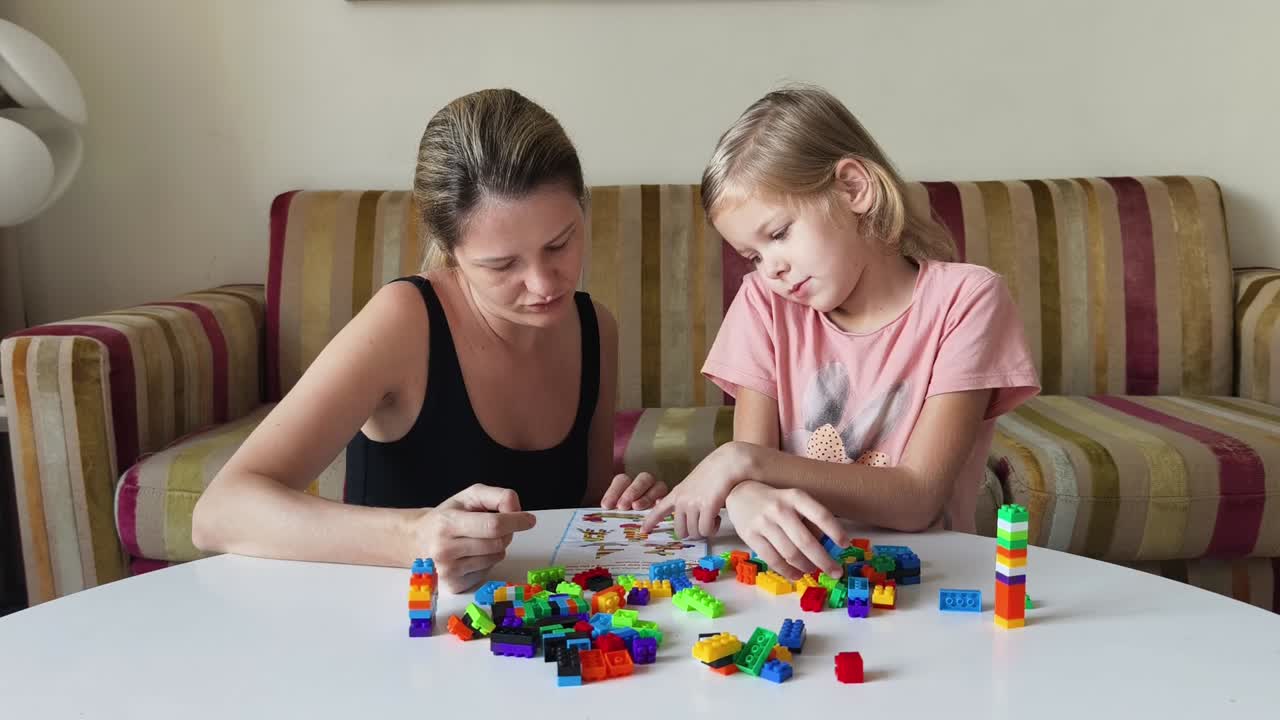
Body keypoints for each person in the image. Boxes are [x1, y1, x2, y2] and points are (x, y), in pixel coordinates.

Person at [193, 89, 666, 592]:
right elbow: (220, 512)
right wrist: (414, 537)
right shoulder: (405, 322)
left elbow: (578, 508)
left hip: (527, 635)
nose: (546, 284)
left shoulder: (596, 327)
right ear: (451, 249)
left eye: (561, 243)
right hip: (396, 630)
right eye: (503, 264)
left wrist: (620, 507)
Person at [641, 84, 1039, 580]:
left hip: (929, 576)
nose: (771, 270)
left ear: (853, 188)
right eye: (753, 256)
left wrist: (743, 464)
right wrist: (743, 486)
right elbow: (750, 470)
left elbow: (917, 498)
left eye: (779, 234)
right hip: (794, 576)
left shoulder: (967, 300)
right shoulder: (763, 302)